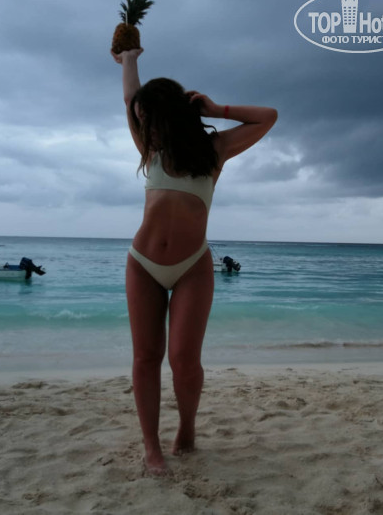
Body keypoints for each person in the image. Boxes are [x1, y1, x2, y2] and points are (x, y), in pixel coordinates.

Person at [112, 47, 277, 475]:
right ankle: (151, 448)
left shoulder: (214, 150)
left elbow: (268, 117)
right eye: (141, 119)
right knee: (146, 357)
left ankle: (186, 427)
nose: (143, 125)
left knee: (184, 361)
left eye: (149, 119)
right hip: (143, 264)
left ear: (168, 116)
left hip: (192, 268)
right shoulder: (149, 149)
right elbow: (130, 98)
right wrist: (129, 59)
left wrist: (216, 109)